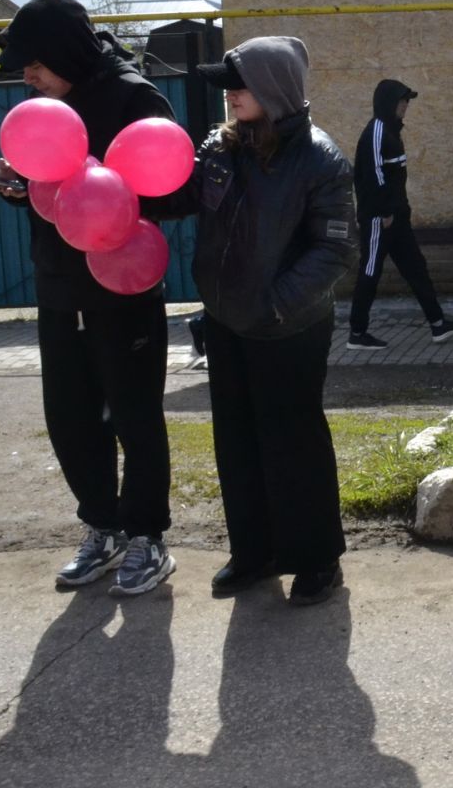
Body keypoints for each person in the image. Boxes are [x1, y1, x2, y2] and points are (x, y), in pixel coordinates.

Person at [0, 0, 181, 597]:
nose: (28, 76)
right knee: (69, 418)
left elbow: (175, 189)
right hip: (59, 288)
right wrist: (18, 185)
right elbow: (47, 183)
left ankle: (147, 536)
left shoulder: (132, 97)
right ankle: (101, 527)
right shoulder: (44, 109)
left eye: (35, 63)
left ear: (64, 52)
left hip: (123, 290)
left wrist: (108, 188)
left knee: (135, 415)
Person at [192, 37, 358, 605]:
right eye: (229, 85)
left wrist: (275, 302)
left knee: (293, 442)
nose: (231, 94)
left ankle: (317, 561)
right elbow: (171, 196)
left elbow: (333, 250)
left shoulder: (321, 158)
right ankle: (253, 552)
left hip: (289, 326)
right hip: (228, 320)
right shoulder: (220, 146)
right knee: (237, 441)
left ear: (274, 88)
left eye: (240, 83)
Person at [349, 78, 453, 349]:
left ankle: (438, 324)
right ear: (388, 102)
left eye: (407, 101)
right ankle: (356, 333)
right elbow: (374, 176)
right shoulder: (376, 131)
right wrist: (385, 212)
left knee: (416, 268)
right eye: (401, 101)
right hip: (380, 219)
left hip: (398, 218)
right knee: (371, 270)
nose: (405, 106)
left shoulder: (391, 130)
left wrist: (399, 212)